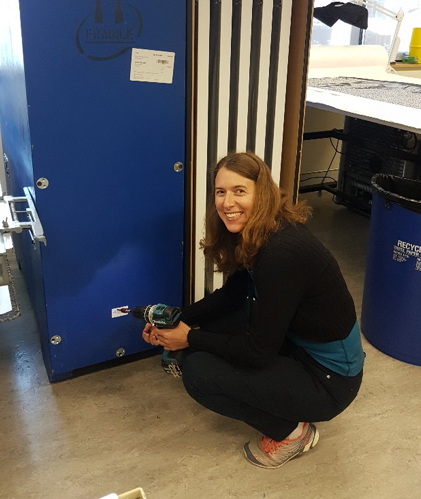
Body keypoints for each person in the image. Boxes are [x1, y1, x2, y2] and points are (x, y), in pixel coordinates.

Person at [142, 151, 364, 469]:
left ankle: (292, 433)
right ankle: (281, 401)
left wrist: (189, 338)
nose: (227, 203)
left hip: (330, 381)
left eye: (239, 191)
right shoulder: (259, 232)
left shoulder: (281, 253)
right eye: (221, 192)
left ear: (262, 194)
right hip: (299, 347)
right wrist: (177, 321)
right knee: (205, 342)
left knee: (199, 373)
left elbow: (257, 352)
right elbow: (231, 297)